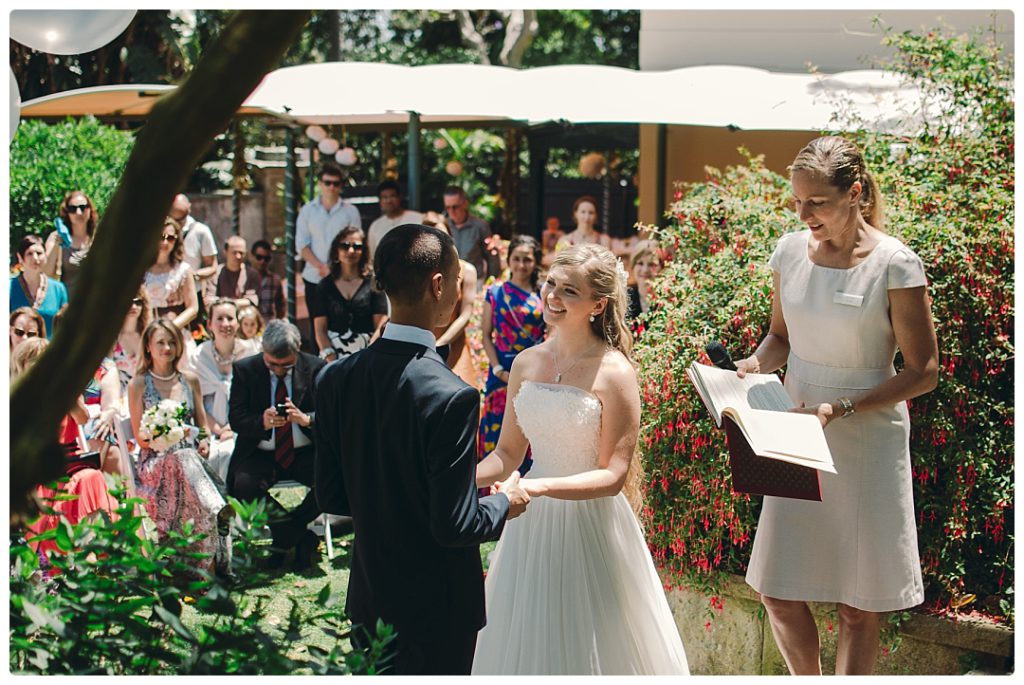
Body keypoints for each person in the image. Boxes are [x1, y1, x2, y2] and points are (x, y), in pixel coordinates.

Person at [736, 136, 939, 676]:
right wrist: (755, 364)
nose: (804, 215)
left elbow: (924, 373)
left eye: (816, 203)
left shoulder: (897, 264)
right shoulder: (787, 252)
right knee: (776, 589)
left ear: (855, 194)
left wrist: (841, 408)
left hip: (867, 438)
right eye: (797, 201)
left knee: (857, 605)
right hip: (796, 430)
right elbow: (779, 336)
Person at [314, 223, 529, 675]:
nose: (457, 290)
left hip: (371, 596)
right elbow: (456, 523)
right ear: (438, 286)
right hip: (438, 608)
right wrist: (506, 503)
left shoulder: (335, 379)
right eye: (456, 281)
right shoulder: (451, 395)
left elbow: (332, 498)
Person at [472, 243, 689, 675]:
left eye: (569, 291)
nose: (552, 295)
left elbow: (613, 475)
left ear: (598, 304)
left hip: (591, 525)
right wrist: (456, 477)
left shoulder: (615, 372)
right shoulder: (526, 363)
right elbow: (508, 454)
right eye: (551, 283)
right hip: (529, 522)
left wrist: (537, 485)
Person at [128, 319, 231, 578]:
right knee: (184, 458)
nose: (167, 347)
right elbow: (141, 438)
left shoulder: (190, 380)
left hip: (190, 463)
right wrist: (165, 436)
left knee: (187, 458)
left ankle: (205, 565)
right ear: (148, 347)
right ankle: (216, 510)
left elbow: (202, 426)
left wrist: (204, 441)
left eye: (172, 341)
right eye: (160, 342)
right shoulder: (139, 384)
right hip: (155, 463)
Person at [228, 319, 326, 570]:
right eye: (272, 364)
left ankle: (282, 541)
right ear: (263, 351)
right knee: (243, 486)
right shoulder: (245, 369)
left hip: (304, 451)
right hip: (261, 452)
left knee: (333, 479)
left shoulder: (315, 368)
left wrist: (306, 420)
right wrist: (260, 421)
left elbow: (331, 417)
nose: (279, 371)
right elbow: (236, 418)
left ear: (298, 350)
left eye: (286, 365)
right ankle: (300, 536)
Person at [16, 338, 118, 569]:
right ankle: (55, 561)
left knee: (91, 478)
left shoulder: (66, 390)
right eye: (33, 361)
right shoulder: (19, 397)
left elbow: (82, 418)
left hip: (72, 463)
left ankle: (90, 558)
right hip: (38, 468)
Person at [478, 235, 545, 468]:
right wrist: (497, 369)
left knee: (529, 430)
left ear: (535, 261)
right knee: (497, 430)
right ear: (508, 261)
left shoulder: (543, 295)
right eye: (516, 259)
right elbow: (486, 334)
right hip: (500, 370)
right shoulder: (495, 293)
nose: (521, 265)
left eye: (527, 259)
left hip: (534, 372)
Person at [190, 298, 261, 481]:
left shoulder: (251, 352)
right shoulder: (198, 356)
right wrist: (218, 429)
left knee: (231, 452)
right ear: (209, 324)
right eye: (219, 319)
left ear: (238, 322)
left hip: (243, 427)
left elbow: (257, 398)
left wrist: (233, 427)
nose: (225, 324)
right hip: (208, 427)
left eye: (230, 318)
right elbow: (195, 401)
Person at [297, 163, 363, 346]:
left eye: (336, 183)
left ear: (341, 185)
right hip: (314, 276)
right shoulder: (307, 210)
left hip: (343, 276)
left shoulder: (351, 211)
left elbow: (356, 241)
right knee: (316, 325)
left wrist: (335, 269)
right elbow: (301, 244)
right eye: (328, 183)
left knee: (342, 322)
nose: (332, 187)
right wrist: (321, 266)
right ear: (320, 184)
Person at [313, 228, 387, 363]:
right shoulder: (324, 286)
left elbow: (381, 325)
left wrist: (367, 355)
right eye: (345, 246)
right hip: (332, 357)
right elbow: (320, 330)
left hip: (367, 355)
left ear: (364, 251)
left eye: (357, 246)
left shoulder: (374, 284)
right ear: (336, 250)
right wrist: (331, 359)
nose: (351, 251)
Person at [422, 212, 478, 387]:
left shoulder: (467, 270)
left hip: (453, 347)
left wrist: (441, 344)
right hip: (422, 347)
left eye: (441, 235)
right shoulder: (417, 272)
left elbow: (466, 314)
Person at [169, 193, 220, 324]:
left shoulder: (200, 231)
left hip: (193, 294)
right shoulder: (162, 232)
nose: (177, 223)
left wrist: (192, 276)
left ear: (189, 209)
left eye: (181, 218)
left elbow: (213, 267)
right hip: (166, 294)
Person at [143, 217, 199, 334]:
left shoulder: (183, 270)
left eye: (170, 238)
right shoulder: (141, 271)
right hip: (146, 329)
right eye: (161, 237)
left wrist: (170, 328)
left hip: (174, 329)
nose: (165, 242)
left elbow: (193, 308)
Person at [43, 190, 97, 301]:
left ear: (89, 210)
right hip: (67, 306)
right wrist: (56, 246)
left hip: (95, 306)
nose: (78, 212)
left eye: (83, 207)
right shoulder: (56, 237)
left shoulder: (99, 237)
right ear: (67, 212)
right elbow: (46, 273)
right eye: (73, 209)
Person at [10, 235, 68, 338]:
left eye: (39, 253)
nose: (35, 258)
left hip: (49, 351)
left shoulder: (58, 289)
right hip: (18, 351)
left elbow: (65, 326)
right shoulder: (9, 288)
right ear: (20, 257)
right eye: (30, 254)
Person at [443, 186, 494, 282]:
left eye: (455, 207)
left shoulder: (480, 226)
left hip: (475, 281)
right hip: (451, 282)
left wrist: (491, 282)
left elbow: (491, 257)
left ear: (465, 204)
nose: (451, 211)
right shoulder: (442, 226)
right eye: (447, 208)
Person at [544, 195, 611, 266]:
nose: (587, 217)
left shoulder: (604, 240)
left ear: (596, 216)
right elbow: (558, 267)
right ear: (576, 214)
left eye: (591, 213)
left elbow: (608, 267)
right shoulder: (564, 240)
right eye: (583, 212)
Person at [366, 180, 423, 258]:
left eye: (392, 196)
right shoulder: (375, 226)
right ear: (380, 201)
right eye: (385, 197)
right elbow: (372, 257)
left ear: (399, 198)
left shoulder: (418, 218)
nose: (389, 201)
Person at [111, 287, 152, 395]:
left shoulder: (149, 336)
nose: (133, 306)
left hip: (148, 393)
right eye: (128, 302)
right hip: (119, 396)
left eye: (138, 302)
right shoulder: (112, 339)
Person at [213, 235, 260, 308]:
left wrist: (227, 303)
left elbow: (251, 301)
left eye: (241, 253)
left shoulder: (251, 274)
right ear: (225, 252)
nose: (238, 256)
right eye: (234, 253)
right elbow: (210, 300)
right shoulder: (216, 273)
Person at [625, 240, 663, 323]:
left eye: (651, 264)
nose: (645, 270)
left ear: (662, 268)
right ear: (633, 266)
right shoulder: (624, 299)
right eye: (640, 263)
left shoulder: (669, 301)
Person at [250, 239, 286, 321]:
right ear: (252, 256)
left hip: (269, 325)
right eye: (259, 257)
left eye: (266, 258)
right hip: (249, 325)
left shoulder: (275, 280)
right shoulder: (245, 278)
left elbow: (281, 307)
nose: (262, 261)